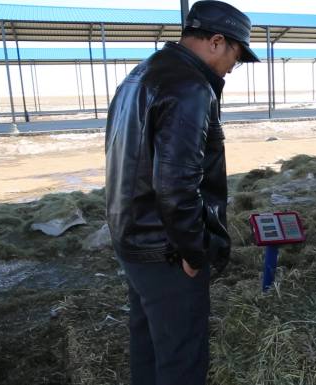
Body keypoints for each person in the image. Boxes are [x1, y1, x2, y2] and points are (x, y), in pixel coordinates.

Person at [104, 1, 259, 384]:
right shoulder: (190, 86)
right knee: (181, 358)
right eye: (235, 58)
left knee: (149, 345)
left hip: (133, 238)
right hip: (167, 250)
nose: (231, 69)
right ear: (217, 42)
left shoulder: (140, 75)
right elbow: (177, 184)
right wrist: (193, 251)